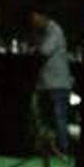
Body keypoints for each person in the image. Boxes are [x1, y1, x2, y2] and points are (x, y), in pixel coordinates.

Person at [31, 11, 73, 156]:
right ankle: (48, 147)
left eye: (35, 18)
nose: (34, 22)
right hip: (48, 82)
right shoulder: (47, 32)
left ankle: (63, 148)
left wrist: (35, 46)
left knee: (59, 117)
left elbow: (44, 51)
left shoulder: (55, 31)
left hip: (58, 82)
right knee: (47, 117)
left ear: (44, 16)